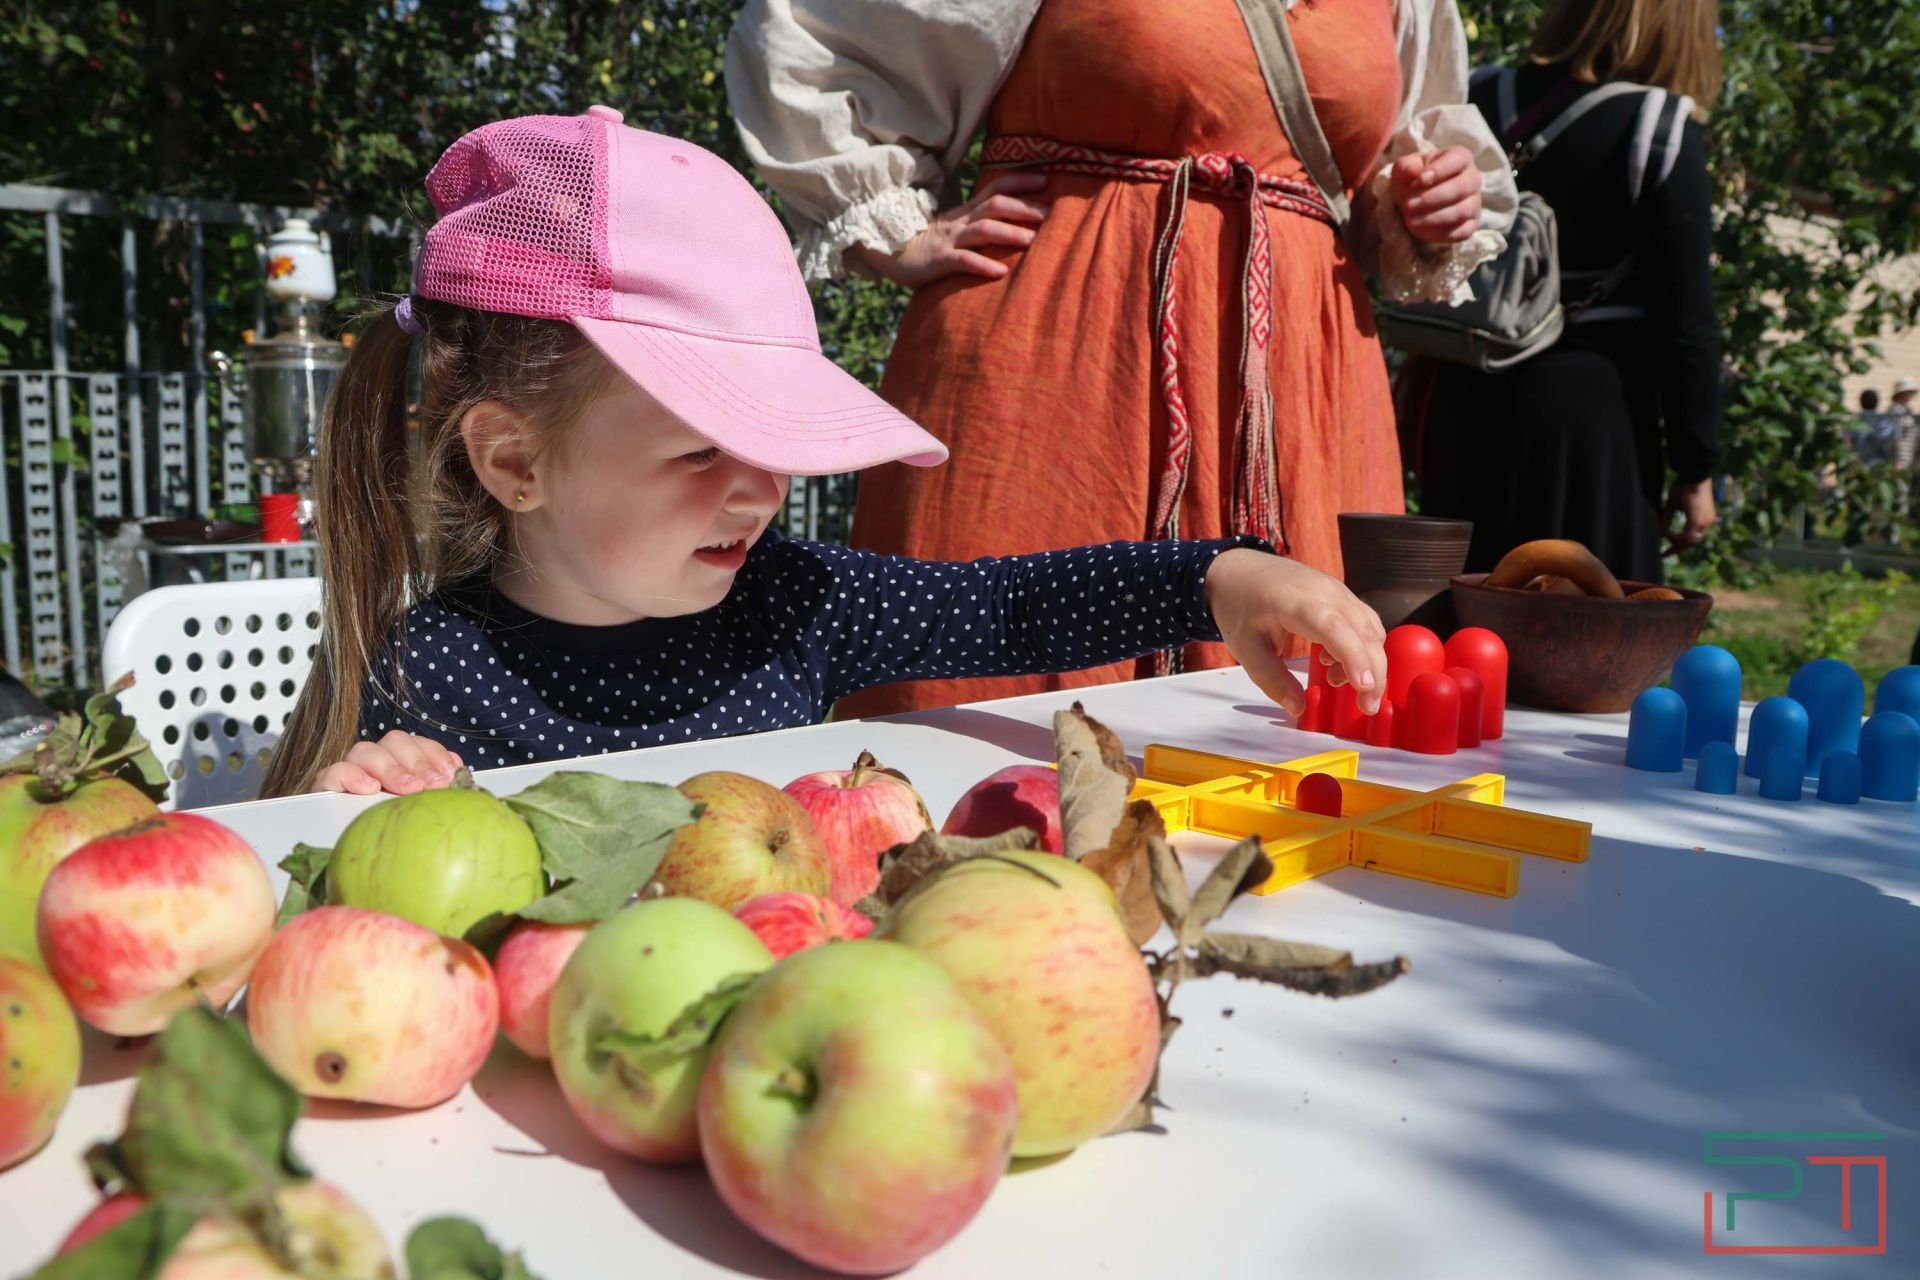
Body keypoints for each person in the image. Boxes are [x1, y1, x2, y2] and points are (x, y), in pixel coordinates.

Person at [261, 109, 1389, 798]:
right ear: (515, 463)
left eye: (773, 440)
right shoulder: (428, 672)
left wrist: (1215, 576)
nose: (761, 490)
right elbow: (349, 890)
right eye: (702, 449)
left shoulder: (792, 602)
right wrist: (358, 797)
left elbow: (1008, 611)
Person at [725, 0, 1517, 718]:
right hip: (1055, 363)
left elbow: (1400, 155)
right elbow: (811, 35)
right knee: (990, 718)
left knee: (1305, 730)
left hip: (1302, 383)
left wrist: (1424, 202)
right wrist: (896, 229)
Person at [1414, 0, 1723, 585]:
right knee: (1588, 617)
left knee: (1464, 607)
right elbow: (1688, 324)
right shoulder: (1656, 124)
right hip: (1589, 426)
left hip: (1464, 398)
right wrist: (1695, 467)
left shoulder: (1479, 94)